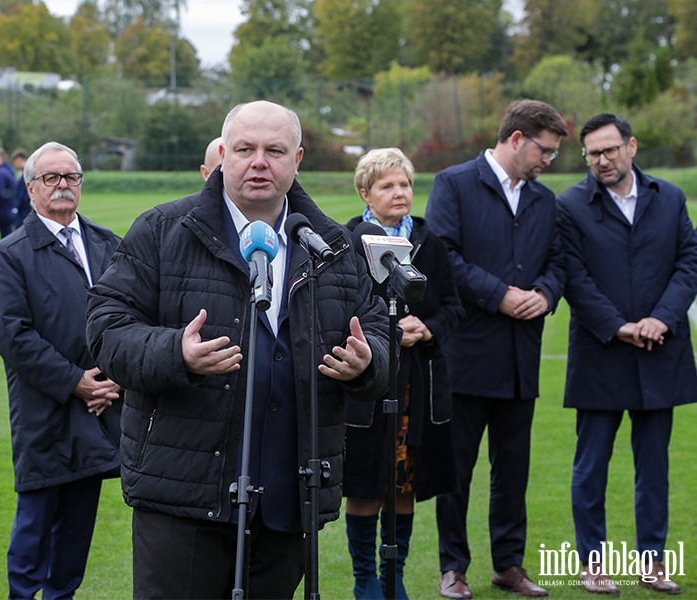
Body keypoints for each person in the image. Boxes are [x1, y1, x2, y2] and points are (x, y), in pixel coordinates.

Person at [87, 100, 390, 599]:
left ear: (298, 158)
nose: (259, 162)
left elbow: (378, 336)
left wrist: (368, 362)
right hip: (184, 497)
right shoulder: (162, 230)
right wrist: (175, 353)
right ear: (223, 154)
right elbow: (106, 330)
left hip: (291, 496)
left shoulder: (333, 245)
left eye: (275, 150)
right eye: (245, 149)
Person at [424, 99, 567, 599]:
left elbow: (558, 260)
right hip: (466, 357)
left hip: (520, 361)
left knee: (513, 471)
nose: (549, 161)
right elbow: (442, 256)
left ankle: (509, 565)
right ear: (516, 139)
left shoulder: (546, 200)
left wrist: (546, 293)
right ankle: (453, 568)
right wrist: (498, 294)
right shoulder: (454, 183)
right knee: (456, 473)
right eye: (545, 151)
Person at [557, 114, 697, 596]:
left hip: (661, 350)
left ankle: (652, 563)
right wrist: (617, 326)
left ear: (631, 146)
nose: (602, 160)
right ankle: (592, 564)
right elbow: (573, 275)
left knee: (654, 471)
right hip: (601, 353)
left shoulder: (670, 198)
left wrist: (662, 317)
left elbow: (688, 261)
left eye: (610, 149)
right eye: (593, 153)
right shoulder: (570, 205)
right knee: (590, 471)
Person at [0, 141, 123, 600]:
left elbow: (133, 314)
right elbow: (14, 337)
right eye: (51, 178)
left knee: (75, 539)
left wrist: (113, 377)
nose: (63, 185)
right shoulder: (10, 254)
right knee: (33, 534)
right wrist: (76, 382)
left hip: (102, 409)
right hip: (45, 412)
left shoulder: (108, 244)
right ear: (30, 189)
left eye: (72, 177)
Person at [343, 148, 464, 600]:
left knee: (405, 481)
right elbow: (341, 309)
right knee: (365, 480)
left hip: (419, 383)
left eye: (405, 184)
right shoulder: (350, 240)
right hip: (370, 385)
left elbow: (453, 307)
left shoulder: (431, 242)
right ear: (365, 193)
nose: (399, 193)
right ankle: (364, 578)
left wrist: (426, 327)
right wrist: (385, 329)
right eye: (387, 186)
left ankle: (394, 573)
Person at [10, 148, 31, 229]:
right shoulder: (21, 172)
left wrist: (17, 206)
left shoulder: (27, 173)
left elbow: (23, 193)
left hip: (24, 209)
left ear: (18, 160)